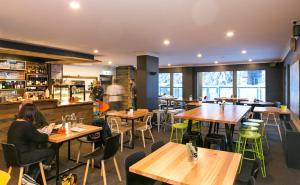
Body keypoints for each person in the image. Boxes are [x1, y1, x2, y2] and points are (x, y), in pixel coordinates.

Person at [7, 103, 55, 184]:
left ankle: (39, 169)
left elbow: (28, 134)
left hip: (12, 156)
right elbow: (41, 139)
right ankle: (30, 176)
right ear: (30, 114)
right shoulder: (26, 125)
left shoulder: (15, 123)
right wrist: (49, 130)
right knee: (51, 152)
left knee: (37, 150)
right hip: (22, 157)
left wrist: (36, 131)